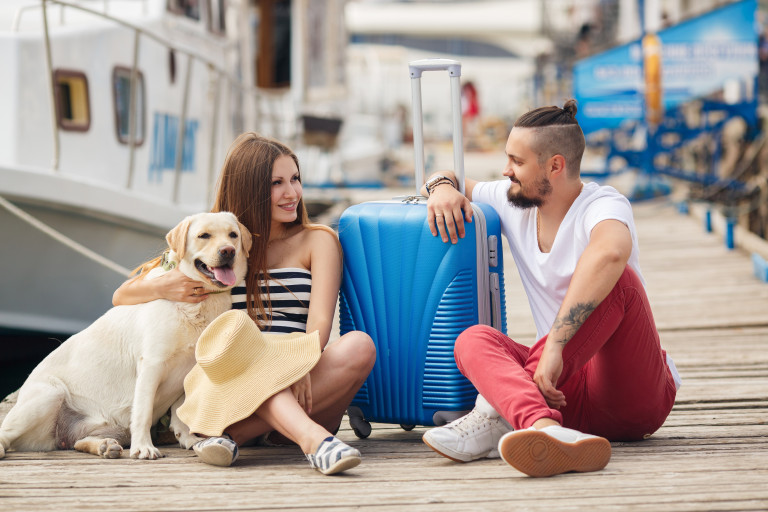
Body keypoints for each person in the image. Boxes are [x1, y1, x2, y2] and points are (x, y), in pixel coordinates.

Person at [419, 100, 681, 477]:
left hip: (631, 395)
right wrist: (442, 188)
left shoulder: (603, 204)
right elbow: (449, 176)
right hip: (560, 393)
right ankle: (543, 429)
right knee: (473, 340)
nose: (505, 170)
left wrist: (556, 344)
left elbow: (611, 252)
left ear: (555, 166)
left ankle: (496, 415)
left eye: (517, 161)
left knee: (619, 282)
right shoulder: (514, 200)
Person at [113, 132, 376, 474]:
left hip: (300, 379)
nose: (291, 192)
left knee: (359, 346)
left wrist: (298, 363)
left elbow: (319, 324)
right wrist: (165, 284)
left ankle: (227, 437)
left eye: (295, 179)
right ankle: (315, 443)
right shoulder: (216, 240)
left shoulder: (318, 240)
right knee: (242, 346)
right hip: (233, 387)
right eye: (276, 183)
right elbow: (122, 296)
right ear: (250, 189)